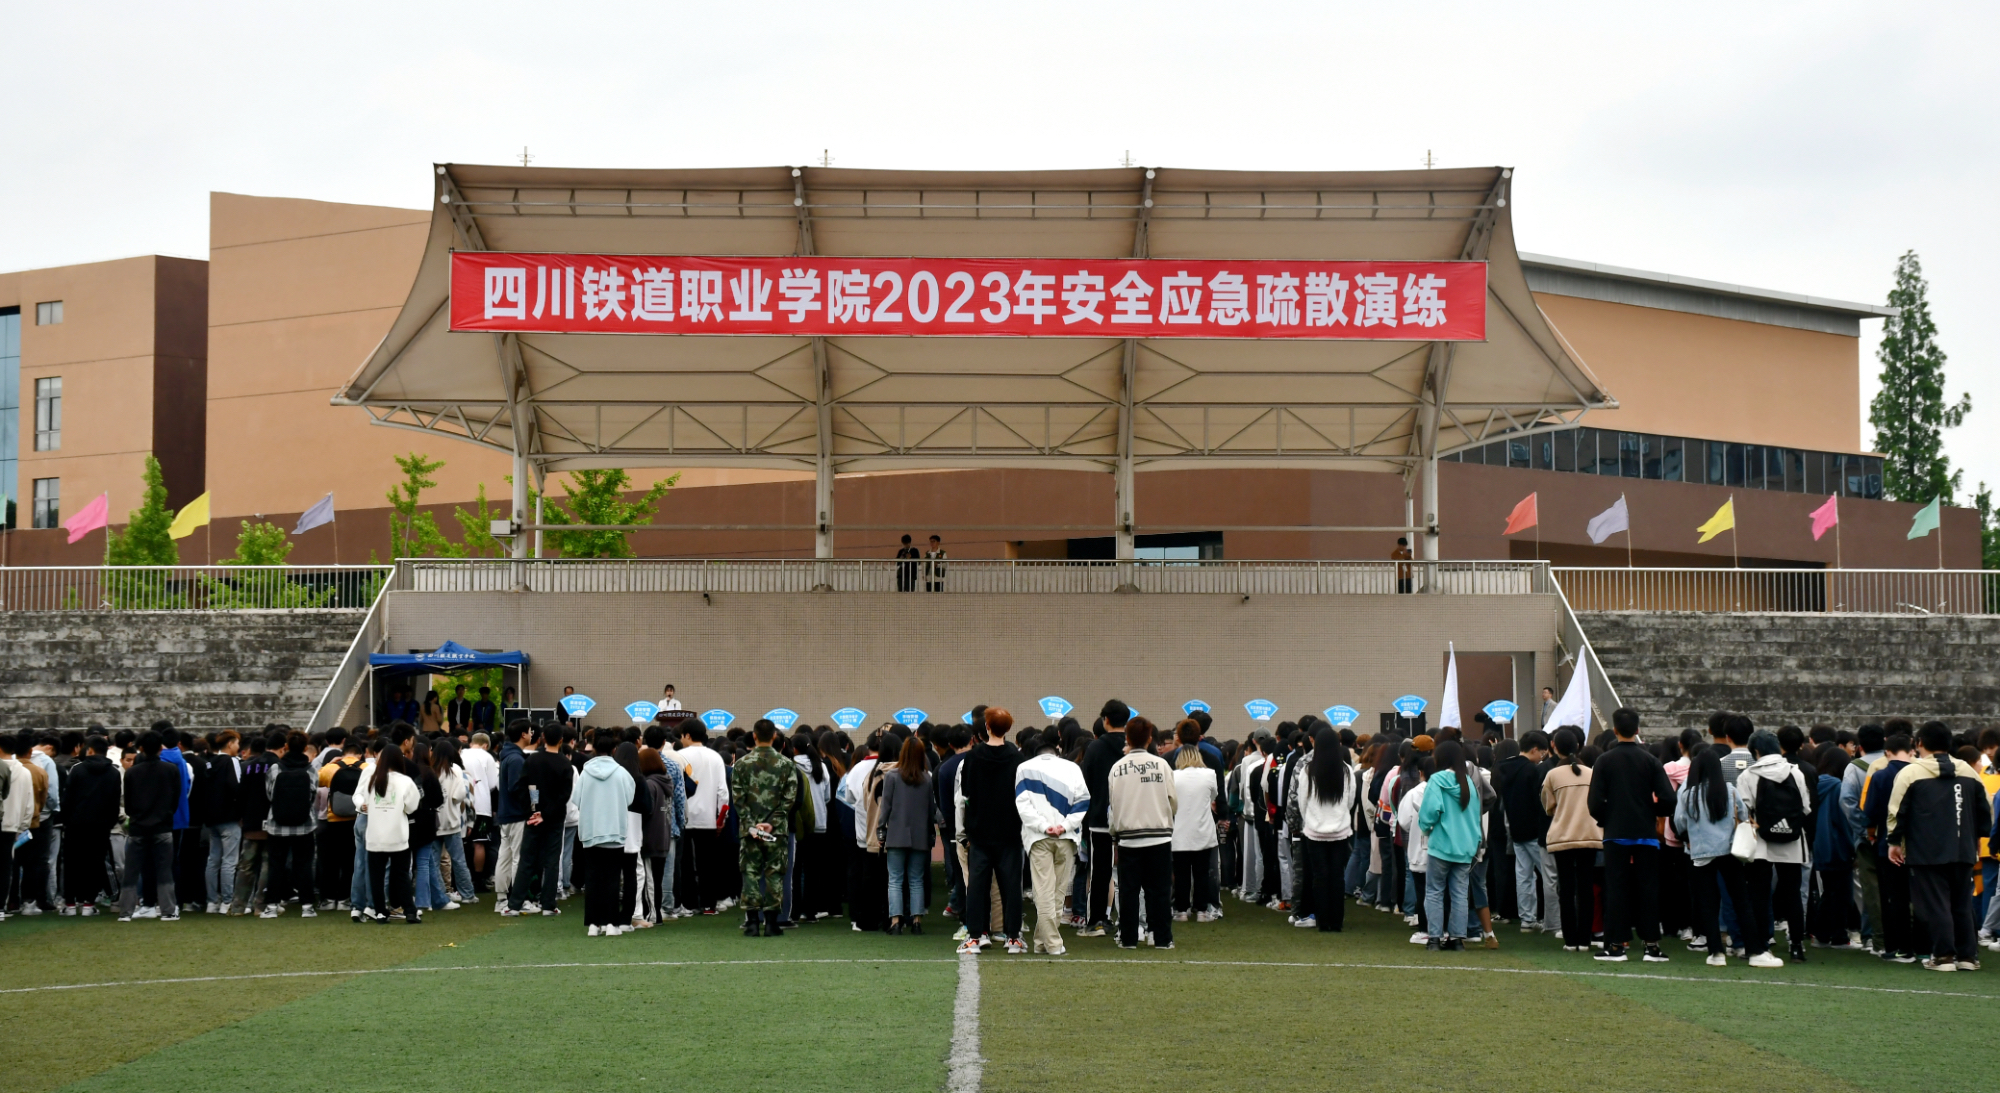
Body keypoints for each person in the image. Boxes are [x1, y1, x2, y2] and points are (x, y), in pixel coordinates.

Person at [1886, 721, 1992, 971]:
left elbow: (1897, 811)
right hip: (1963, 846)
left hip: (1926, 850)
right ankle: (1967, 957)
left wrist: (1894, 841)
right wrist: (1977, 837)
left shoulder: (1911, 773)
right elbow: (1985, 809)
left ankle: (1944, 956)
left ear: (1919, 743)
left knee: (1935, 903)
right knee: (1961, 902)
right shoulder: (1968, 771)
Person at [1586, 708, 1674, 963]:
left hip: (1616, 834)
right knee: (1648, 889)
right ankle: (1652, 945)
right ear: (1637, 730)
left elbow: (1594, 802)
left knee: (1616, 888)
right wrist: (1650, 812)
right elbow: (1669, 799)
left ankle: (1616, 945)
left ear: (1615, 730)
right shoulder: (1650, 760)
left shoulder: (1604, 760)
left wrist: (1608, 818)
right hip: (1645, 833)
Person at [1738, 729, 1813, 967]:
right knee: (1792, 894)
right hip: (1792, 841)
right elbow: (1806, 807)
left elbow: (1744, 810)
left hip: (1760, 841)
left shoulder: (1748, 774)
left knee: (1759, 895)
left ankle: (1762, 944)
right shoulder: (1795, 771)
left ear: (1756, 751)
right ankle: (1796, 946)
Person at [957, 707, 1026, 954]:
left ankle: (975, 936)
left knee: (977, 885)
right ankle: (1013, 937)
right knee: (1011, 886)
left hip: (980, 830)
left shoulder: (973, 757)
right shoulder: (1017, 758)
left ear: (986, 727)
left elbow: (966, 793)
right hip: (1010, 830)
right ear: (1008, 728)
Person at [1674, 746, 1751, 966]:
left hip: (1701, 851)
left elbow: (1680, 822)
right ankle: (1752, 947)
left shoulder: (1689, 793)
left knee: (1707, 903)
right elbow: (1743, 815)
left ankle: (1716, 952)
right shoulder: (1729, 790)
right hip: (1729, 850)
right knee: (1740, 899)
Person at [1107, 716, 1177, 951]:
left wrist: (1115, 834)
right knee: (1159, 891)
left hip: (1128, 838)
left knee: (1129, 891)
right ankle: (1161, 937)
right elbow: (1172, 800)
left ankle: (1128, 938)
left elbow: (1113, 805)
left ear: (1127, 738)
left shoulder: (1117, 768)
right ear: (1150, 739)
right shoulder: (1162, 765)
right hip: (1159, 835)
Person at [1017, 725, 1089, 953]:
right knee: (1057, 892)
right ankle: (1051, 943)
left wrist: (1044, 827)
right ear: (1056, 751)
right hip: (1067, 837)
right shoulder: (1072, 768)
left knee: (1043, 891)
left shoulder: (1024, 768)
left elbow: (1023, 805)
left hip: (1038, 838)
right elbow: (1082, 801)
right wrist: (1064, 826)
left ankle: (1044, 942)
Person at [729, 719, 799, 937]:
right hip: (775, 831)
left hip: (749, 830)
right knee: (774, 873)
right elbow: (789, 799)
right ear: (775, 736)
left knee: (750, 873)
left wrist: (752, 825)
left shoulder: (742, 764)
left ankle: (752, 922)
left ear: (754, 736)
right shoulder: (786, 765)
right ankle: (771, 923)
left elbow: (738, 799)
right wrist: (772, 823)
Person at [1294, 727, 1362, 933]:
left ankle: (1322, 921)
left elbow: (1302, 801)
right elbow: (1350, 800)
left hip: (1314, 831)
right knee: (1337, 875)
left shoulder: (1308, 771)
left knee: (1319, 876)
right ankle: (1336, 921)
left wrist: (1310, 820)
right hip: (1340, 830)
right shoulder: (1347, 771)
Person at [1540, 727, 1601, 953]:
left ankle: (1570, 939)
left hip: (1563, 835)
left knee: (1565, 889)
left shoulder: (1552, 775)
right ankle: (1584, 939)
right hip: (1589, 834)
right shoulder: (1591, 773)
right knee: (1585, 888)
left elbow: (1548, 806)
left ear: (1554, 747)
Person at [1418, 739, 1481, 951]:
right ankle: (1457, 939)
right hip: (1465, 846)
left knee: (1434, 891)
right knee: (1460, 894)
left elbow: (1429, 813)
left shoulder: (1437, 780)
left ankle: (1434, 938)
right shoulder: (1468, 782)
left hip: (1441, 845)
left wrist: (1426, 829)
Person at [573, 728, 637, 937]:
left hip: (590, 830)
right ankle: (611, 923)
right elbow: (629, 798)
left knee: (592, 878)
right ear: (614, 749)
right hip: (614, 830)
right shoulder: (621, 773)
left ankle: (593, 924)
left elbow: (576, 799)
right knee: (612, 878)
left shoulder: (585, 772)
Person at [1863, 730, 1918, 962]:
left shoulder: (1881, 776)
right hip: (1919, 845)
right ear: (1911, 750)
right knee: (1920, 895)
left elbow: (1869, 812)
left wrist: (1872, 833)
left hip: (1888, 844)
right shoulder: (1919, 774)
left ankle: (1896, 946)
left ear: (1887, 752)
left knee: (1893, 898)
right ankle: (1923, 945)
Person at [1496, 729, 1557, 936]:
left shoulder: (1504, 768)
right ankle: (1553, 921)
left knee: (1524, 875)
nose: (1543, 757)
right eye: (1542, 752)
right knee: (1549, 876)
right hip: (1534, 832)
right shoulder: (1532, 771)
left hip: (1515, 830)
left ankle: (1527, 919)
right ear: (1534, 750)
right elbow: (1539, 803)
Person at [877, 734, 940, 936]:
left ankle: (896, 922)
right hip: (920, 835)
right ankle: (917, 921)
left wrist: (881, 829)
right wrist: (931, 833)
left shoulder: (892, 776)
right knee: (916, 879)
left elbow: (885, 807)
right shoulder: (926, 778)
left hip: (896, 833)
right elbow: (930, 810)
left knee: (895, 879)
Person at [507, 727, 572, 918]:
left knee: (526, 859)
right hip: (554, 818)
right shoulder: (565, 764)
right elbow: (564, 795)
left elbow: (523, 787)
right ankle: (548, 904)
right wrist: (546, 813)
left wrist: (532, 811)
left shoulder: (532, 760)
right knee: (551, 861)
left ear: (542, 737)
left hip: (532, 817)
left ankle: (515, 904)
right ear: (561, 740)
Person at [1078, 700, 1130, 937]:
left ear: (1105, 720)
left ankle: (1097, 920)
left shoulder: (1095, 748)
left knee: (1100, 871)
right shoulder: (1133, 746)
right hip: (1130, 818)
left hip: (1100, 818)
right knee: (1130, 870)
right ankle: (1129, 919)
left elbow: (1086, 782)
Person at [116, 732, 181, 922]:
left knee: (131, 871)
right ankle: (168, 910)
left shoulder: (132, 772)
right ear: (161, 747)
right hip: (162, 826)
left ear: (141, 748)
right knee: (164, 870)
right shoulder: (171, 770)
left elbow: (128, 804)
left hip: (138, 827)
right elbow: (175, 798)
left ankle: (125, 912)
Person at [358, 745, 420, 924]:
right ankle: (409, 910)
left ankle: (380, 912)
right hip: (397, 834)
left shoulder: (373, 779)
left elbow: (364, 802)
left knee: (376, 877)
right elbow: (412, 807)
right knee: (401, 875)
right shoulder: (405, 781)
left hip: (375, 835)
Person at [261, 730, 319, 918]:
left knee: (276, 865)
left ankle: (271, 906)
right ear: (305, 747)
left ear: (285, 746)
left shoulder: (275, 768)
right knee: (304, 865)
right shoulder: (310, 770)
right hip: (304, 824)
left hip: (277, 824)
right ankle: (307, 906)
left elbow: (269, 794)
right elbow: (312, 795)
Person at [676, 722, 730, 915]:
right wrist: (721, 819)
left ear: (687, 735)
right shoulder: (715, 757)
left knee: (685, 863)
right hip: (708, 817)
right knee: (708, 863)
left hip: (684, 817)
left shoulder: (680, 756)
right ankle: (709, 904)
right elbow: (722, 791)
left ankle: (689, 903)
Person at [1169, 721, 1221, 925]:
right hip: (1203, 830)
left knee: (1181, 873)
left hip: (1179, 831)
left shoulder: (1173, 776)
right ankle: (1202, 911)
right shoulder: (1209, 774)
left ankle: (1181, 910)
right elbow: (1213, 796)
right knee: (1202, 873)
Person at [63, 736, 120, 917]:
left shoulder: (77, 769)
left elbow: (68, 798)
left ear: (90, 750)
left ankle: (70, 904)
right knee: (95, 863)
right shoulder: (114, 772)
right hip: (101, 825)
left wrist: (67, 820)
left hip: (76, 823)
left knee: (72, 863)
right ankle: (89, 903)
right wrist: (110, 823)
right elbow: (114, 802)